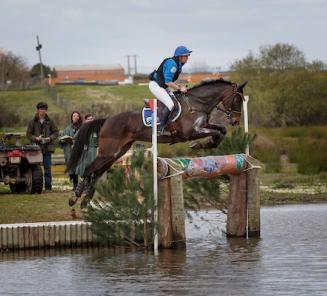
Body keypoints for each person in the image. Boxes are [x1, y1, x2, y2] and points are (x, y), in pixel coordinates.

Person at [149, 45, 192, 133]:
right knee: (170, 105)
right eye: (186, 56)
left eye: (188, 56)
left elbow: (170, 81)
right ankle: (161, 128)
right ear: (180, 56)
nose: (188, 58)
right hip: (156, 86)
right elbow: (168, 82)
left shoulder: (178, 63)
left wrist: (180, 86)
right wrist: (180, 88)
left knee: (177, 101)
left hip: (163, 86)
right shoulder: (173, 64)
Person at [26, 102, 59, 191]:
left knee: (47, 168)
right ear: (37, 110)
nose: (42, 111)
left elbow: (56, 132)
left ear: (46, 110)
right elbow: (28, 134)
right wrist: (36, 138)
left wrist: (49, 138)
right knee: (35, 168)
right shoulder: (32, 121)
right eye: (41, 109)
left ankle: (48, 187)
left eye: (44, 109)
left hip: (47, 148)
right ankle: (35, 187)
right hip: (35, 149)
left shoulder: (50, 121)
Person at [59, 111, 83, 191]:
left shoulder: (82, 127)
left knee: (80, 167)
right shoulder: (68, 128)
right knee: (72, 168)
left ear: (79, 117)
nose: (75, 117)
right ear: (71, 118)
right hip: (70, 151)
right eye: (74, 116)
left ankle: (83, 185)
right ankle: (75, 185)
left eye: (77, 116)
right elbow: (62, 137)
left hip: (79, 151)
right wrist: (62, 140)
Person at [75, 114, 98, 179]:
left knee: (92, 167)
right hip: (84, 151)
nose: (90, 120)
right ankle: (84, 181)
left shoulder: (96, 129)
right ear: (85, 121)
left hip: (93, 150)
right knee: (83, 166)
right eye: (89, 119)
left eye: (92, 119)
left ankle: (90, 183)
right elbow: (75, 137)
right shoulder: (82, 128)